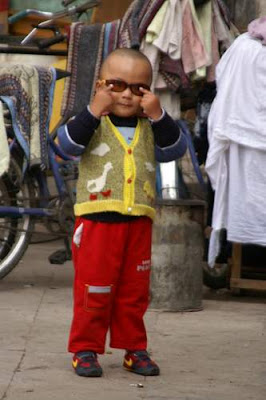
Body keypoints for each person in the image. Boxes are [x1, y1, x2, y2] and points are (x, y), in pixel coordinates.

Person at [58, 48, 187, 378]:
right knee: (94, 289)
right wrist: (91, 111)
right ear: (101, 85)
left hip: (138, 223)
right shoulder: (92, 121)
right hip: (97, 222)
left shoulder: (150, 124)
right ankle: (85, 349)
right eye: (117, 85)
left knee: (134, 291)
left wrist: (159, 116)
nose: (127, 94)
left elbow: (175, 150)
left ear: (149, 91)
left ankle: (134, 349)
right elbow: (64, 148)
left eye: (138, 87)